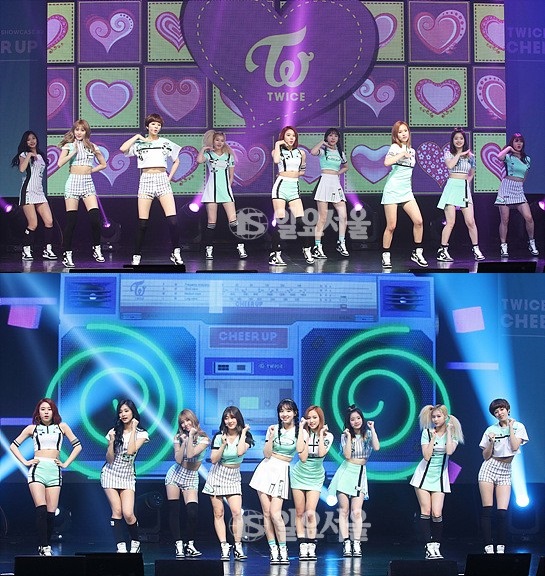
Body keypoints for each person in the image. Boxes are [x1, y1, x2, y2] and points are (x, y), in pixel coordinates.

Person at [9, 398, 82, 556]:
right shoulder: (32, 429)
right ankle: (44, 546)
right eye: (43, 409)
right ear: (38, 412)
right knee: (41, 509)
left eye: (49, 409)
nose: (46, 412)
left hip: (54, 471)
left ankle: (45, 545)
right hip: (38, 470)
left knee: (51, 513)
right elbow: (13, 445)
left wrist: (66, 463)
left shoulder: (62, 427)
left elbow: (78, 446)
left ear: (53, 411)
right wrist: (25, 462)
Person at [120, 113, 184, 266]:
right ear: (147, 126)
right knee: (143, 223)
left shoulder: (165, 142)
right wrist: (137, 136)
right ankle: (136, 255)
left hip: (162, 179)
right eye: (153, 124)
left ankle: (176, 252)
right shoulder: (139, 144)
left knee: (173, 221)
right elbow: (123, 149)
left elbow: (177, 160)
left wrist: (169, 177)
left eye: (158, 125)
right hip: (146, 180)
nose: (156, 127)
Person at [249, 399, 308, 564]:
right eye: (282, 411)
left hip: (282, 470)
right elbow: (266, 454)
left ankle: (283, 548)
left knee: (275, 513)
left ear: (295, 413)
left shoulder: (301, 431)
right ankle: (273, 549)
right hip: (266, 469)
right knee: (267, 513)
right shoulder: (274, 429)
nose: (284, 414)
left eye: (288, 411)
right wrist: (270, 436)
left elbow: (301, 452)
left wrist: (301, 428)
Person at [409, 404, 464, 560]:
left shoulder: (452, 434)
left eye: (438, 416)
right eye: (433, 417)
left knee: (437, 513)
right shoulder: (426, 433)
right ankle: (428, 546)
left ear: (445, 417)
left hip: (440, 478)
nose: (435, 419)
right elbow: (426, 456)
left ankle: (436, 546)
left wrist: (448, 432)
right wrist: (433, 438)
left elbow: (449, 451)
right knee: (425, 511)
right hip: (423, 476)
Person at [327, 405, 380, 558]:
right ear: (348, 422)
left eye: (358, 418)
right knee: (344, 510)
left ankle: (356, 543)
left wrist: (373, 429)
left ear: (362, 419)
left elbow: (376, 447)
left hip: (360, 473)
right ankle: (346, 543)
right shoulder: (345, 436)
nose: (356, 421)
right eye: (352, 419)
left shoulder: (368, 434)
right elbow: (347, 455)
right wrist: (349, 437)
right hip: (346, 472)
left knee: (356, 511)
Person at [203, 406, 254, 561]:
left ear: (238, 419)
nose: (229, 421)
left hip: (233, 476)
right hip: (217, 474)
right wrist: (223, 444)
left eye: (232, 417)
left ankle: (238, 546)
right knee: (218, 513)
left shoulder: (246, 437)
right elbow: (213, 459)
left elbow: (239, 452)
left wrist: (243, 433)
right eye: (226, 418)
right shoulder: (219, 437)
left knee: (237, 512)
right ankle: (224, 546)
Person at [478, 398, 528, 554]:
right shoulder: (490, 430)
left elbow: (514, 447)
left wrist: (510, 427)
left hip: (506, 469)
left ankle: (501, 547)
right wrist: (491, 442)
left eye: (501, 409)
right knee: (487, 509)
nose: (499, 413)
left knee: (502, 511)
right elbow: (485, 455)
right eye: (496, 411)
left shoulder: (519, 426)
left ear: (508, 409)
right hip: (489, 467)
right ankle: (488, 546)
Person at [100, 399, 149, 553]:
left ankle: (135, 542)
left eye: (126, 411)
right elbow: (109, 459)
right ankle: (120, 546)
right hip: (110, 474)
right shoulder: (113, 432)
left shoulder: (142, 433)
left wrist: (133, 429)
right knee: (117, 511)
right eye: (120, 412)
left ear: (133, 412)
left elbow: (131, 451)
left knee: (128, 513)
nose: (123, 414)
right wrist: (111, 442)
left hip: (127, 476)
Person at [57, 119, 107, 268]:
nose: (79, 132)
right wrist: (72, 152)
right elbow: (59, 163)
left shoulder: (92, 147)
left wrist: (90, 170)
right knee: (71, 222)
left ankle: (97, 249)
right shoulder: (69, 145)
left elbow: (103, 164)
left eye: (82, 130)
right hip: (73, 183)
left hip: (87, 184)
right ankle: (67, 254)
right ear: (73, 131)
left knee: (95, 219)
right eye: (77, 129)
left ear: (86, 132)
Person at [381, 121, 427, 269]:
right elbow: (387, 162)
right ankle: (386, 255)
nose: (403, 134)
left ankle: (417, 252)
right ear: (396, 135)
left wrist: (406, 152)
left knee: (418, 221)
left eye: (405, 131)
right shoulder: (395, 148)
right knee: (391, 226)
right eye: (400, 132)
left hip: (406, 191)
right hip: (392, 190)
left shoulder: (412, 151)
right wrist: (401, 153)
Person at [290, 405, 333, 561]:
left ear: (320, 418)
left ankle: (311, 544)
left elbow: (321, 453)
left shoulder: (328, 436)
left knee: (310, 512)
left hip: (315, 477)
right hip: (299, 475)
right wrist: (304, 433)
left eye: (315, 417)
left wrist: (320, 434)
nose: (312, 420)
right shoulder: (302, 433)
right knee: (299, 512)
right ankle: (302, 545)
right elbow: (302, 457)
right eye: (309, 417)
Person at [165, 408, 210, 558]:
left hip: (191, 477)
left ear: (193, 420)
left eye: (187, 420)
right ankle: (178, 544)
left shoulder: (204, 439)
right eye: (182, 422)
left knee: (192, 513)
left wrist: (190, 437)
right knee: (174, 510)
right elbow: (179, 459)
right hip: (175, 475)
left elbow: (191, 454)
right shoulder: (178, 437)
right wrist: (184, 442)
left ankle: (189, 544)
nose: (185, 424)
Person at [197, 130, 247, 261]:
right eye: (217, 140)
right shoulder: (209, 155)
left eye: (222, 140)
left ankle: (241, 248)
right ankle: (209, 250)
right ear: (213, 141)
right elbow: (199, 160)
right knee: (211, 222)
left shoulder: (229, 156)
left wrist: (227, 188)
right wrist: (203, 149)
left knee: (234, 221)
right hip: (212, 191)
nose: (219, 142)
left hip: (225, 191)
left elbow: (231, 176)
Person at [437, 129, 485, 262]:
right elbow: (450, 165)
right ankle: (442, 251)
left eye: (461, 138)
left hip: (463, 188)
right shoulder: (448, 153)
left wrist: (466, 183)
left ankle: (476, 249)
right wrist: (459, 154)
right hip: (451, 187)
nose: (459, 141)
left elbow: (472, 173)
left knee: (470, 221)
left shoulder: (471, 156)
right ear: (452, 140)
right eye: (456, 138)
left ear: (465, 140)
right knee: (450, 222)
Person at [269, 126, 315, 266]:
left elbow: (302, 171)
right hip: (281, 187)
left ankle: (307, 249)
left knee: (301, 220)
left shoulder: (301, 153)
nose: (291, 138)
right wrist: (278, 144)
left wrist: (293, 174)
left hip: (294, 187)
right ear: (283, 136)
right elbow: (276, 160)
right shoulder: (277, 150)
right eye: (288, 135)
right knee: (280, 220)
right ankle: (275, 254)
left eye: (293, 135)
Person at [11, 131, 57, 261]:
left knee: (49, 221)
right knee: (33, 224)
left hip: (39, 192)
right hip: (28, 192)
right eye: (28, 140)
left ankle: (47, 250)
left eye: (33, 138)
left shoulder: (42, 156)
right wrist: (29, 155)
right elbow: (21, 169)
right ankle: (26, 250)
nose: (32, 141)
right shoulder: (24, 154)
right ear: (25, 142)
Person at [494, 133, 539, 258]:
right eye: (516, 141)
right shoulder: (508, 156)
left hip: (518, 189)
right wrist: (509, 148)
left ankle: (531, 243)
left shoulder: (527, 159)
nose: (519, 143)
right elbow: (499, 156)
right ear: (512, 143)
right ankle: (503, 246)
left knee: (529, 217)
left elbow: (524, 176)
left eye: (520, 141)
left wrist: (519, 186)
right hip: (506, 188)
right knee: (505, 219)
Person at [310, 128, 350, 259]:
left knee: (343, 216)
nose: (333, 138)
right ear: (326, 137)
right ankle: (317, 247)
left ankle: (341, 243)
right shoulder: (323, 151)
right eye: (330, 136)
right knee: (323, 217)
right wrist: (322, 143)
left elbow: (346, 166)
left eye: (335, 136)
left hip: (335, 184)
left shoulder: (340, 153)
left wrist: (338, 173)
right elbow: (313, 152)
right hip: (324, 182)